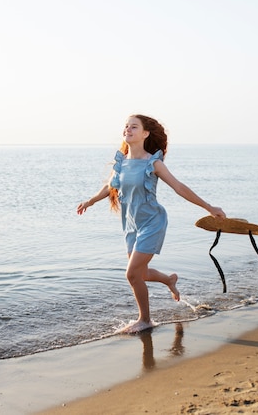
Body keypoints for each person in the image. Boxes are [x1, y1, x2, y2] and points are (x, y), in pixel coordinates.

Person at [77, 114, 227, 333]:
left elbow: (179, 187)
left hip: (152, 222)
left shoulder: (153, 162)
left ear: (145, 133)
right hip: (130, 224)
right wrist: (90, 201)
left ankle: (145, 319)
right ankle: (169, 280)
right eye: (126, 126)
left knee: (131, 274)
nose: (127, 129)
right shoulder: (121, 162)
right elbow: (110, 187)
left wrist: (209, 207)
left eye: (134, 127)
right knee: (142, 273)